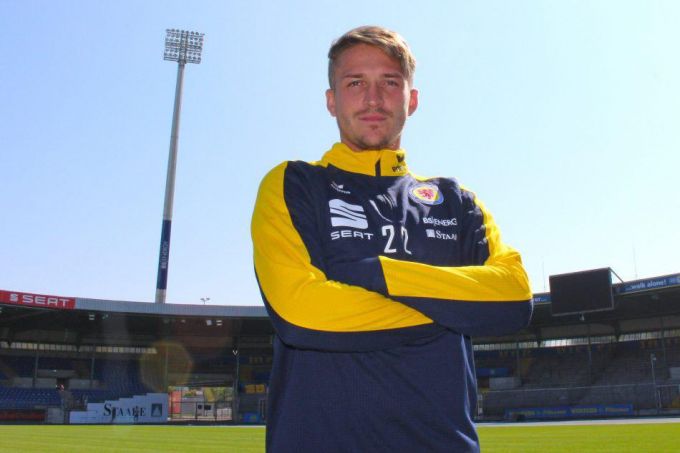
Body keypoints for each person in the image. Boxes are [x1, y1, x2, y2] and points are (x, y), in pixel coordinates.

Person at [251, 25, 533, 453]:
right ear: (331, 100)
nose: (373, 98)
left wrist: (379, 275)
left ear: (411, 100)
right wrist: (453, 307)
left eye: (389, 82)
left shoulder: (456, 201)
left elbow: (513, 295)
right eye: (355, 83)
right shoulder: (293, 184)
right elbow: (299, 312)